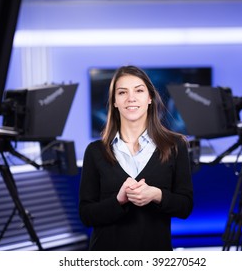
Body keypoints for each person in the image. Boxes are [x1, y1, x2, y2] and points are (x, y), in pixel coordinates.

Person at [79, 65, 193, 251]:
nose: (131, 98)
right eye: (122, 92)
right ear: (115, 101)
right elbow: (86, 215)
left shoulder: (176, 145)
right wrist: (118, 201)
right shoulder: (94, 151)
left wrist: (157, 195)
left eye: (139, 90)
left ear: (150, 98)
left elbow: (185, 206)